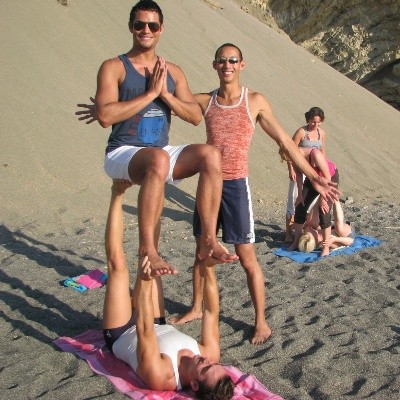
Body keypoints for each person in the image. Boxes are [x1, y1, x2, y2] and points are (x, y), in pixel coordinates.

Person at [168, 43, 341, 344]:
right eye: (222, 61)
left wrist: (315, 176)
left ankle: (261, 321)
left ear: (242, 65)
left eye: (233, 60)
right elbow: (172, 99)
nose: (227, 65)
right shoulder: (206, 101)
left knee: (247, 258)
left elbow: (286, 143)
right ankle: (197, 307)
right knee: (201, 251)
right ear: (214, 65)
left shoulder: (255, 101)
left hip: (236, 186)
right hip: (209, 185)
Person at [86, 0, 237, 274]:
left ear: (161, 29)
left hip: (159, 153)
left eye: (152, 25)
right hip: (122, 153)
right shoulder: (114, 67)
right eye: (139, 24)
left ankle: (208, 240)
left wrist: (166, 94)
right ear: (131, 27)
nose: (146, 30)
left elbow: (193, 116)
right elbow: (105, 117)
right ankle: (148, 250)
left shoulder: (173, 71)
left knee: (211, 154)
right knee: (158, 159)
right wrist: (150, 95)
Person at [103, 179, 235, 398]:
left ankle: (117, 192)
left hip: (123, 331)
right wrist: (209, 268)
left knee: (118, 266)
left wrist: (146, 280)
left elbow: (144, 330)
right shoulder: (210, 355)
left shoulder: (161, 375)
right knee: (150, 250)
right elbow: (211, 311)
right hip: (155, 321)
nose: (207, 359)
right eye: (213, 363)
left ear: (193, 385)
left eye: (205, 368)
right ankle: (155, 185)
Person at [283, 107, 327, 242]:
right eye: (313, 122)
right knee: (294, 200)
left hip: (314, 172)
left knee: (310, 200)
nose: (315, 125)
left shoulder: (321, 133)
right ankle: (288, 233)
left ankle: (303, 228)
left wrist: (323, 171)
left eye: (318, 122)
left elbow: (322, 151)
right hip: (300, 170)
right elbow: (289, 151)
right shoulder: (302, 132)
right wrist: (291, 169)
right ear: (308, 120)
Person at [288, 147, 339, 256]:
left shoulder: (315, 155)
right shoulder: (295, 158)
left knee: (323, 210)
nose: (291, 162)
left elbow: (327, 178)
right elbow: (299, 176)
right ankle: (296, 240)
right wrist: (300, 195)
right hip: (313, 179)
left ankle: (325, 247)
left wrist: (323, 198)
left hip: (329, 179)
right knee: (300, 206)